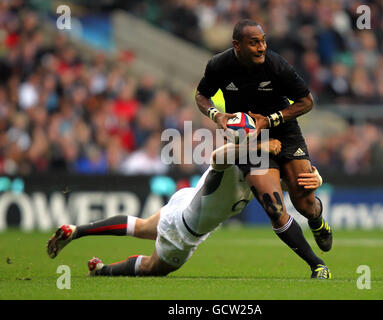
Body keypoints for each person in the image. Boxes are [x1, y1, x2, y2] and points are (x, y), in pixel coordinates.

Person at [46, 136, 331, 279]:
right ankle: (103, 272)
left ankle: (78, 231)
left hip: (185, 201)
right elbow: (219, 155)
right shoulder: (231, 164)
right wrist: (252, 147)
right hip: (186, 230)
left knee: (142, 226)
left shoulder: (261, 172)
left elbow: (289, 184)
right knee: (152, 268)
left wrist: (315, 177)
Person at [195, 19, 332, 253]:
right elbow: (201, 96)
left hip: (284, 131)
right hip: (250, 140)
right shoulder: (219, 65)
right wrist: (216, 115)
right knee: (275, 208)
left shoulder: (277, 66)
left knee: (305, 203)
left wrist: (269, 120)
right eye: (254, 43)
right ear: (237, 45)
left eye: (263, 41)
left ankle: (317, 221)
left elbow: (307, 101)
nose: (262, 48)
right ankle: (315, 264)